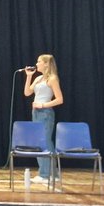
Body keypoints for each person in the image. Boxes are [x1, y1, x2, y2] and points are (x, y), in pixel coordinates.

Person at [24, 54, 64, 183]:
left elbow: (59, 99)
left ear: (46, 64)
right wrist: (29, 77)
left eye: (39, 61)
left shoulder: (52, 79)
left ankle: (47, 174)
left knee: (45, 142)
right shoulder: (38, 78)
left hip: (45, 112)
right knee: (39, 143)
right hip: (35, 112)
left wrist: (43, 104)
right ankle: (50, 174)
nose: (36, 64)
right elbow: (27, 93)